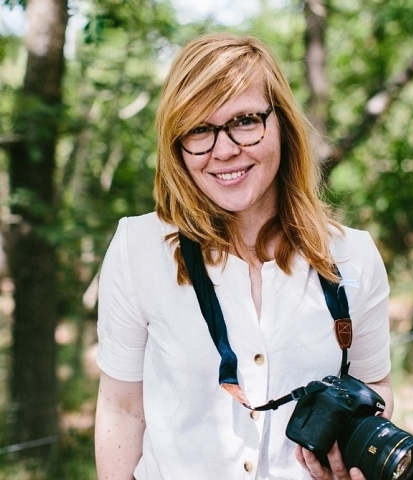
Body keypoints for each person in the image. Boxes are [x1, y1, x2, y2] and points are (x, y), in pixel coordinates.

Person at [94, 32, 393, 480]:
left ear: (281, 124)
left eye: (246, 120)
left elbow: (376, 385)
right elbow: (121, 409)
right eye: (199, 129)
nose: (225, 149)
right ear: (176, 146)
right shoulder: (139, 247)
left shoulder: (355, 257)